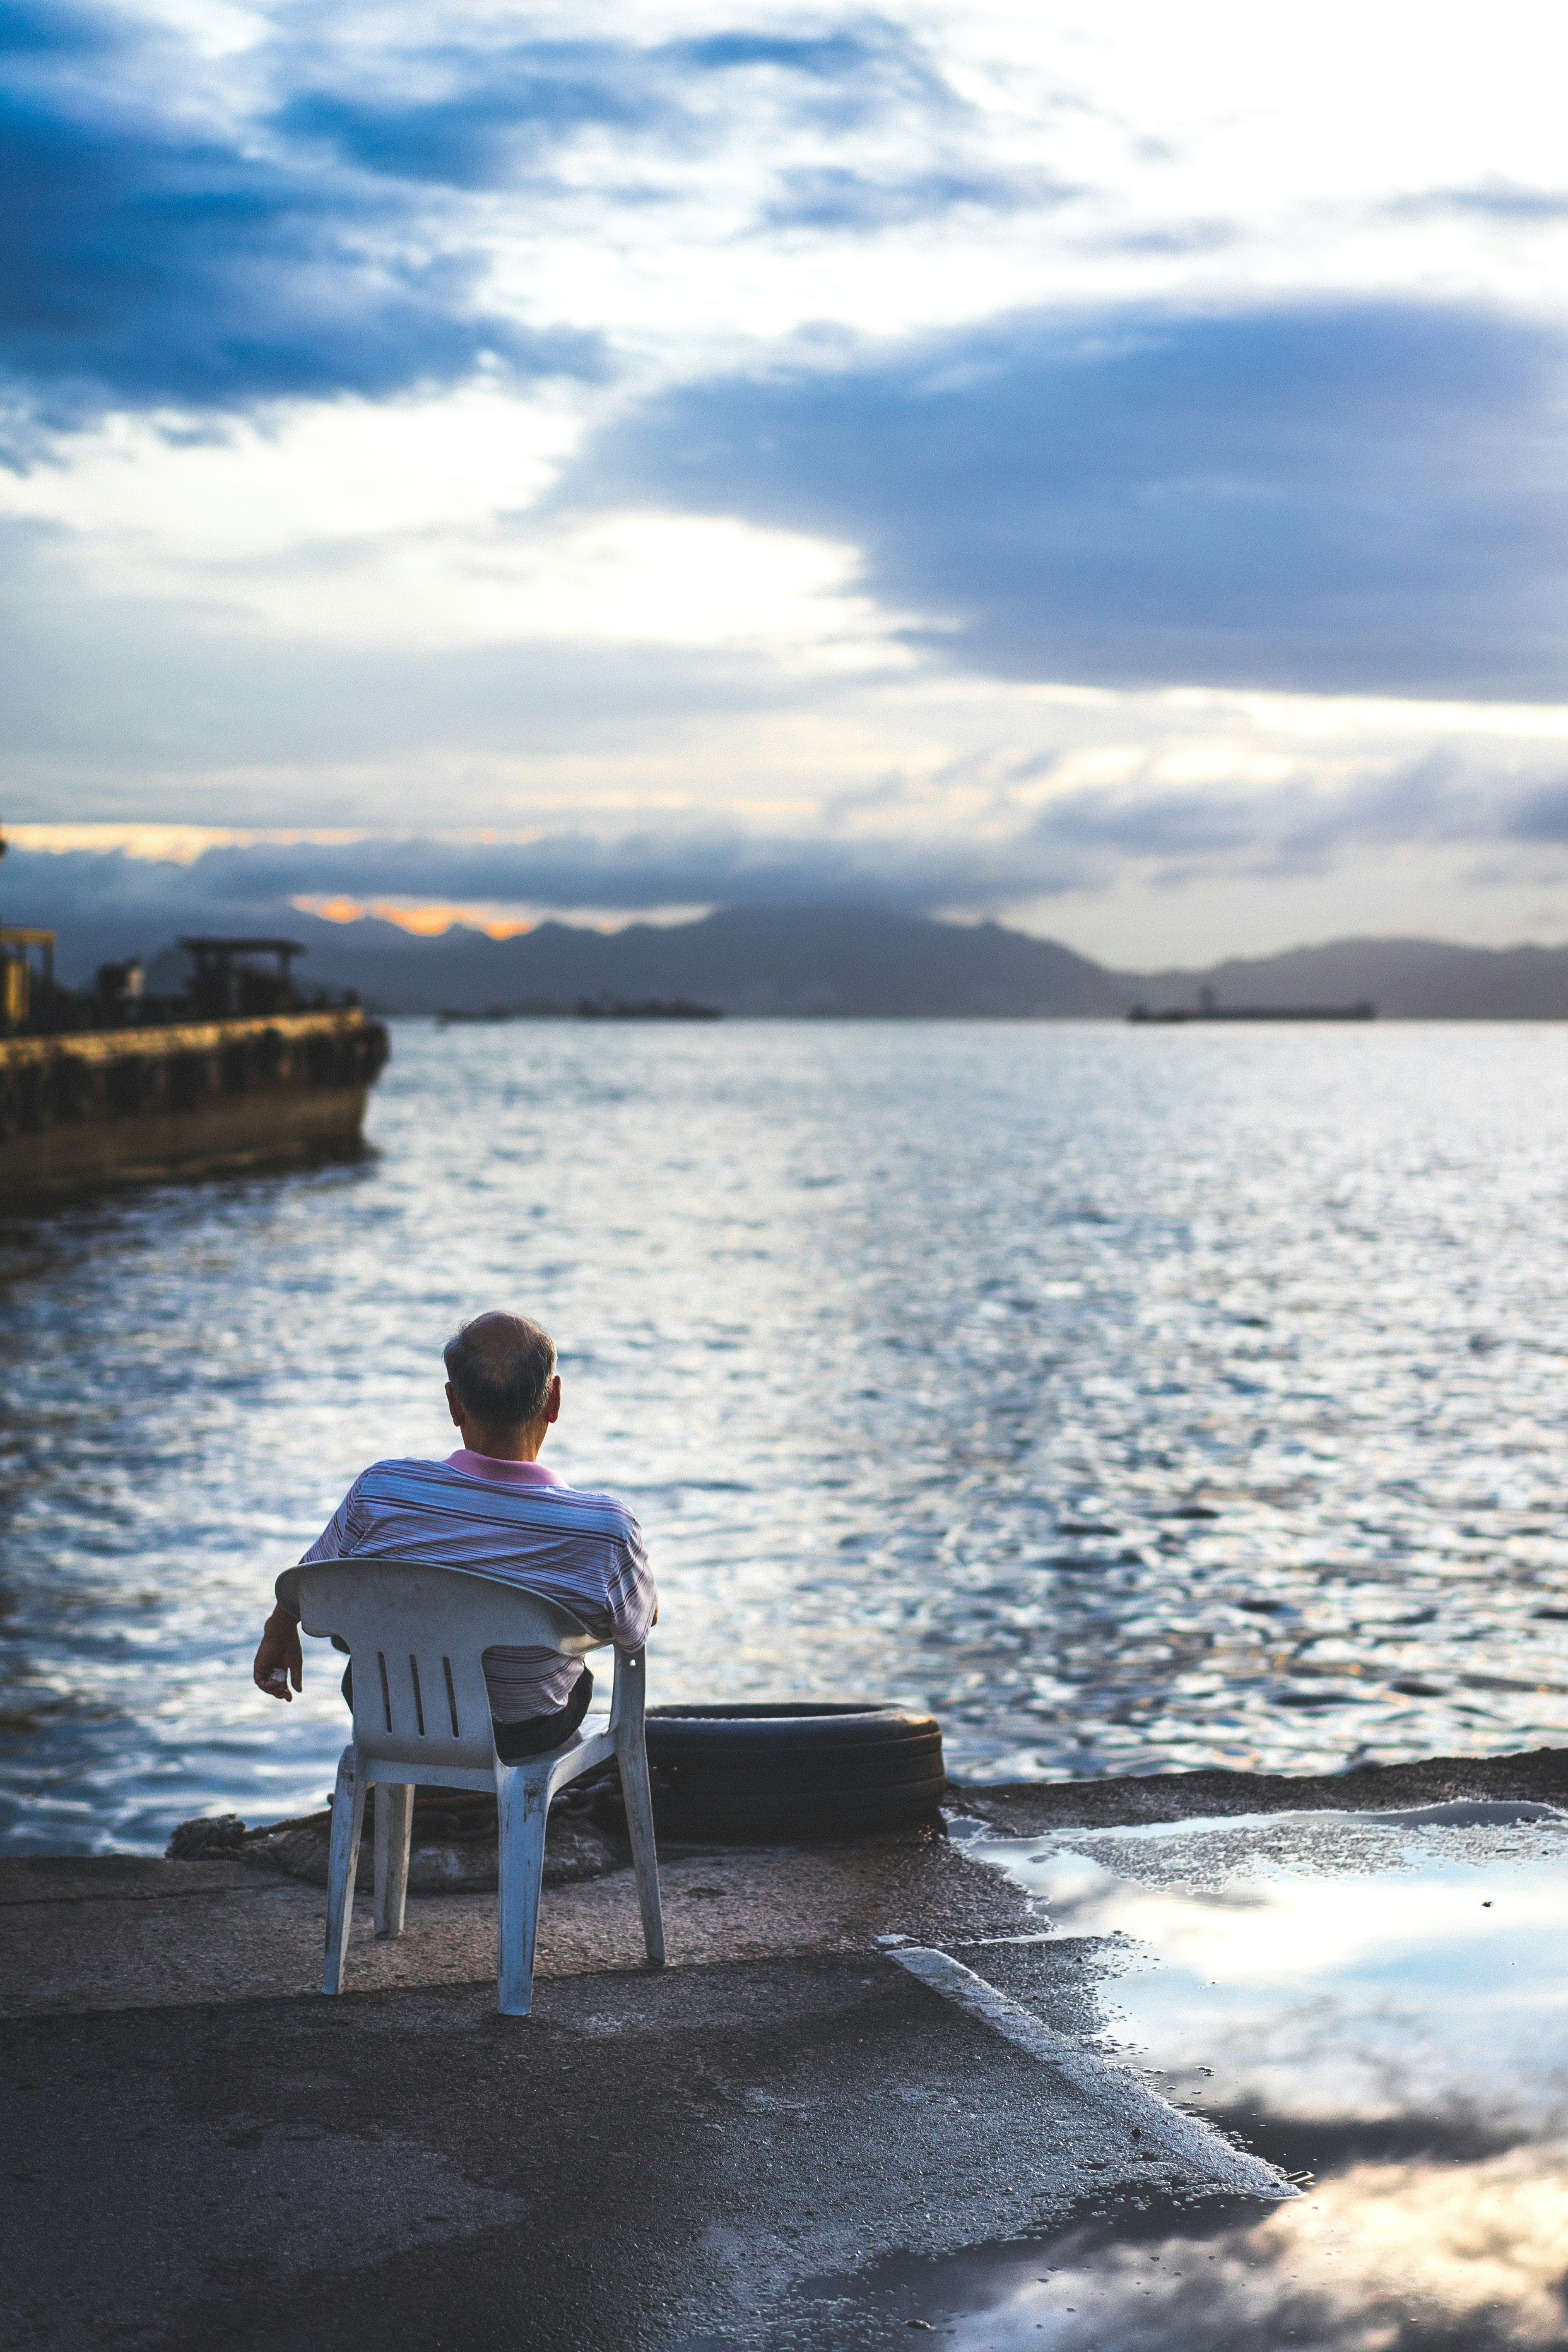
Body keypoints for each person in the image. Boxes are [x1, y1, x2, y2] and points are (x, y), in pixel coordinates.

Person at [251, 1310, 656, 1758]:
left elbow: (308, 1585)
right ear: (554, 1399)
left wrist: (278, 1630)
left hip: (388, 1715)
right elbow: (636, 1629)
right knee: (578, 1677)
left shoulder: (382, 1491)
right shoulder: (607, 1529)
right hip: (525, 1729)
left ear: (454, 1404)